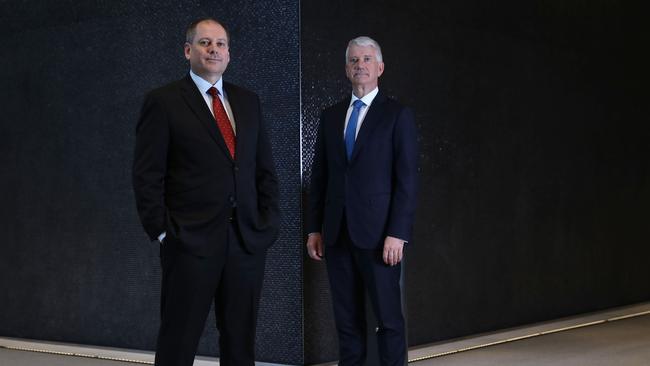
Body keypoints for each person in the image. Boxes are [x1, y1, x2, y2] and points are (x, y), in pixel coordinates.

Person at [132, 17, 279, 366]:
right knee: (178, 343)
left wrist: (267, 222)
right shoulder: (163, 101)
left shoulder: (248, 102)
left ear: (229, 54)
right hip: (190, 242)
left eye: (221, 44)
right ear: (188, 51)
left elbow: (264, 171)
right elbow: (146, 175)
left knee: (240, 344)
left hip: (245, 242)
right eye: (204, 42)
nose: (214, 49)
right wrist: (165, 231)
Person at [306, 36, 418, 366]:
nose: (360, 65)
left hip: (381, 236)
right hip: (337, 234)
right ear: (346, 68)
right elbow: (320, 178)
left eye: (367, 59)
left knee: (389, 320)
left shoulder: (397, 115)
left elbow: (408, 180)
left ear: (380, 67)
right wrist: (314, 228)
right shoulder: (330, 116)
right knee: (347, 321)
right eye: (354, 60)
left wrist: (398, 232)